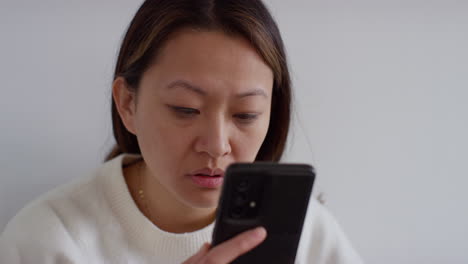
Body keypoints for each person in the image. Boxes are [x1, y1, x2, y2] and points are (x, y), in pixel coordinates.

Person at [0, 0, 364, 263]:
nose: (216, 146)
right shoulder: (47, 241)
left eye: (246, 114)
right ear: (128, 104)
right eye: (185, 110)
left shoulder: (307, 232)